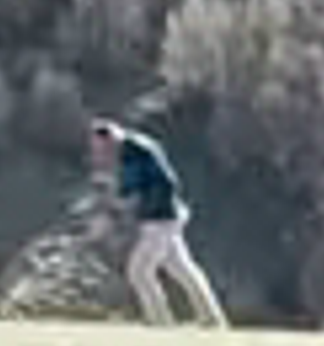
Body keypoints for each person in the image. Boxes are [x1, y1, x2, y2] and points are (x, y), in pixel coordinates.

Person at [87, 111, 227, 328]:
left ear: (109, 138)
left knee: (139, 271)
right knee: (182, 270)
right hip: (167, 214)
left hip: (159, 218)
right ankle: (211, 318)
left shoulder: (131, 152)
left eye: (101, 147)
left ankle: (160, 320)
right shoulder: (138, 145)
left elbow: (130, 192)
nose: (101, 153)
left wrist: (109, 197)